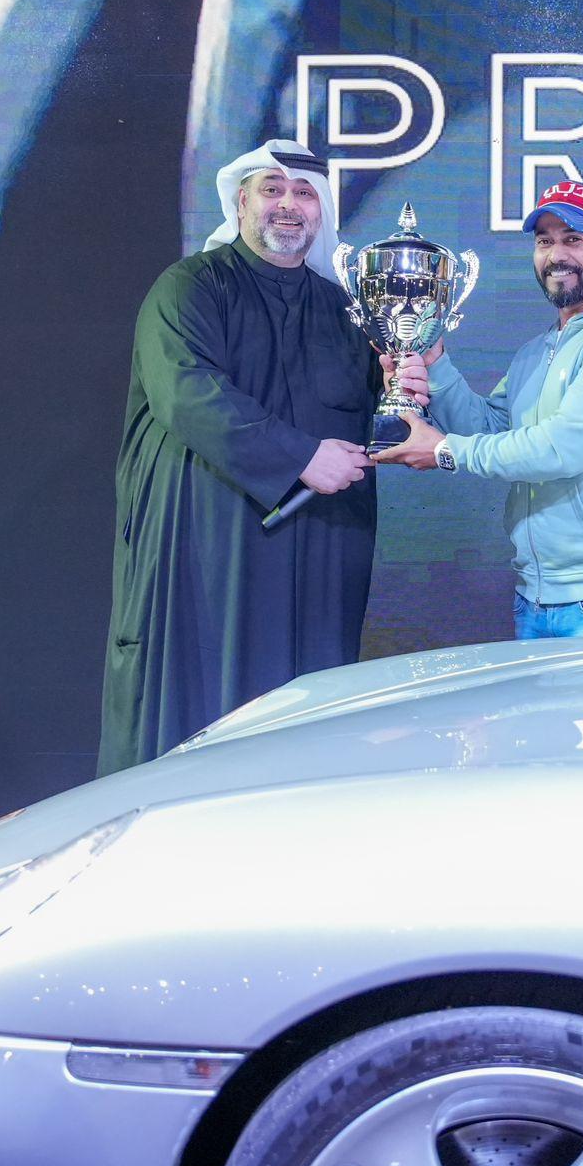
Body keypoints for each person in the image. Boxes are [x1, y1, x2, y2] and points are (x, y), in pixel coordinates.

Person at [97, 140, 419, 774]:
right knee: (199, 704)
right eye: (272, 189)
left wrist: (402, 388)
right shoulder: (190, 286)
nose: (288, 205)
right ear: (240, 202)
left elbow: (374, 421)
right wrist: (299, 458)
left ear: (322, 211)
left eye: (304, 193)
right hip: (207, 541)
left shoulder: (347, 311)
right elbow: (187, 391)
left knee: (309, 718)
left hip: (319, 549)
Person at [374, 179, 583, 639]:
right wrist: (435, 364)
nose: (556, 255)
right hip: (536, 597)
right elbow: (491, 429)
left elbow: (561, 448)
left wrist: (444, 451)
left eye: (573, 239)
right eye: (544, 242)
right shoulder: (537, 351)